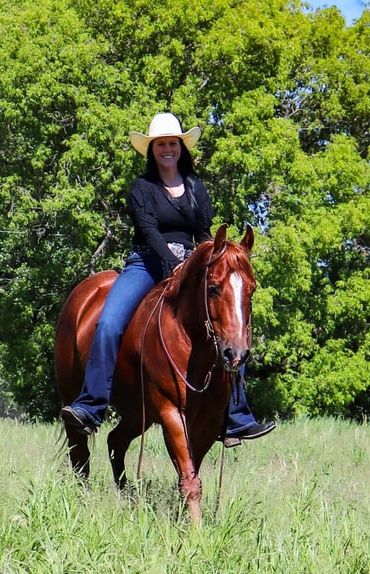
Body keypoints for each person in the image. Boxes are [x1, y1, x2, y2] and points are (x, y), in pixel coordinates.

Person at [60, 112, 275, 447]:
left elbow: (204, 233)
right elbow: (147, 231)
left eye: (172, 143)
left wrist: (196, 263)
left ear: (181, 147)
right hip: (146, 263)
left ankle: (237, 417)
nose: (167, 149)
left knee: (230, 321)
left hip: (190, 265)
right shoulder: (141, 188)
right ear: (152, 149)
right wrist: (173, 261)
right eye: (160, 144)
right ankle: (91, 405)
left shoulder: (196, 187)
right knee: (109, 323)